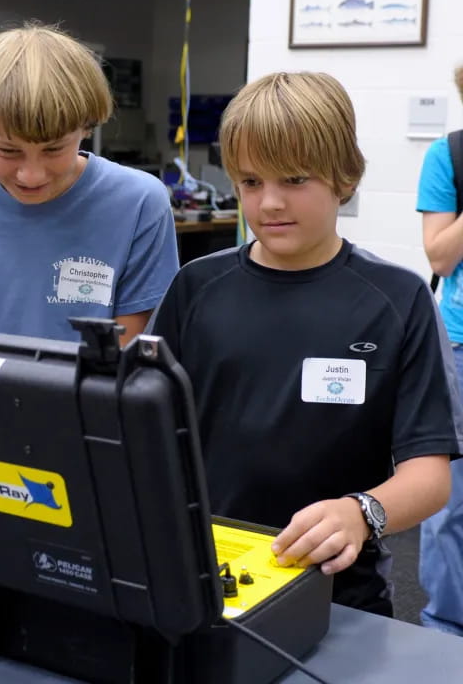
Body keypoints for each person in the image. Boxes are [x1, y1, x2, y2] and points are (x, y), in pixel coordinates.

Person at [149, 71, 459, 615]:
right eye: (249, 182)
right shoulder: (196, 288)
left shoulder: (397, 299)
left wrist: (362, 513)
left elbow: (430, 475)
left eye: (294, 180)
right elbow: (142, 428)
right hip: (206, 579)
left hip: (338, 592)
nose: (269, 203)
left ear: (344, 177)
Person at [0, 23, 178, 344]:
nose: (32, 175)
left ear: (86, 128)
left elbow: (130, 358)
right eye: (8, 151)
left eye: (54, 149)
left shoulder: (139, 203)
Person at [416, 64, 463, 634]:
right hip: (459, 344)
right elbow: (439, 257)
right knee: (449, 506)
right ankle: (445, 632)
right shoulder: (448, 155)